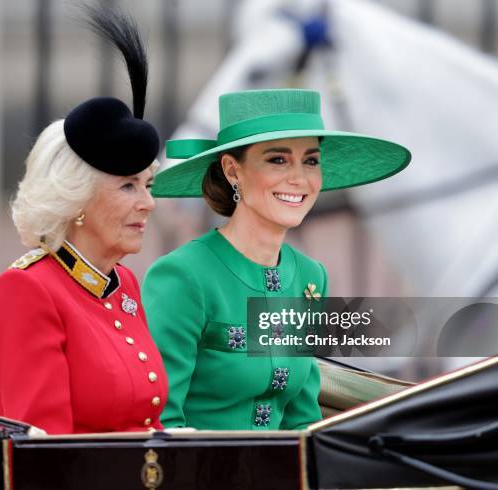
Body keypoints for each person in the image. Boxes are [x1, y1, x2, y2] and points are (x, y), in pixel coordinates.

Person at [142, 88, 411, 430]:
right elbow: (160, 424)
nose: (299, 178)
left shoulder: (310, 277)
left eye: (311, 161)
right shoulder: (182, 276)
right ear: (232, 170)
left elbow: (303, 420)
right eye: (278, 160)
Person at [0, 7, 167, 434]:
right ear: (77, 198)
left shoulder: (123, 284)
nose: (148, 204)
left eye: (149, 186)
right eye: (128, 187)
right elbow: (45, 456)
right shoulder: (25, 291)